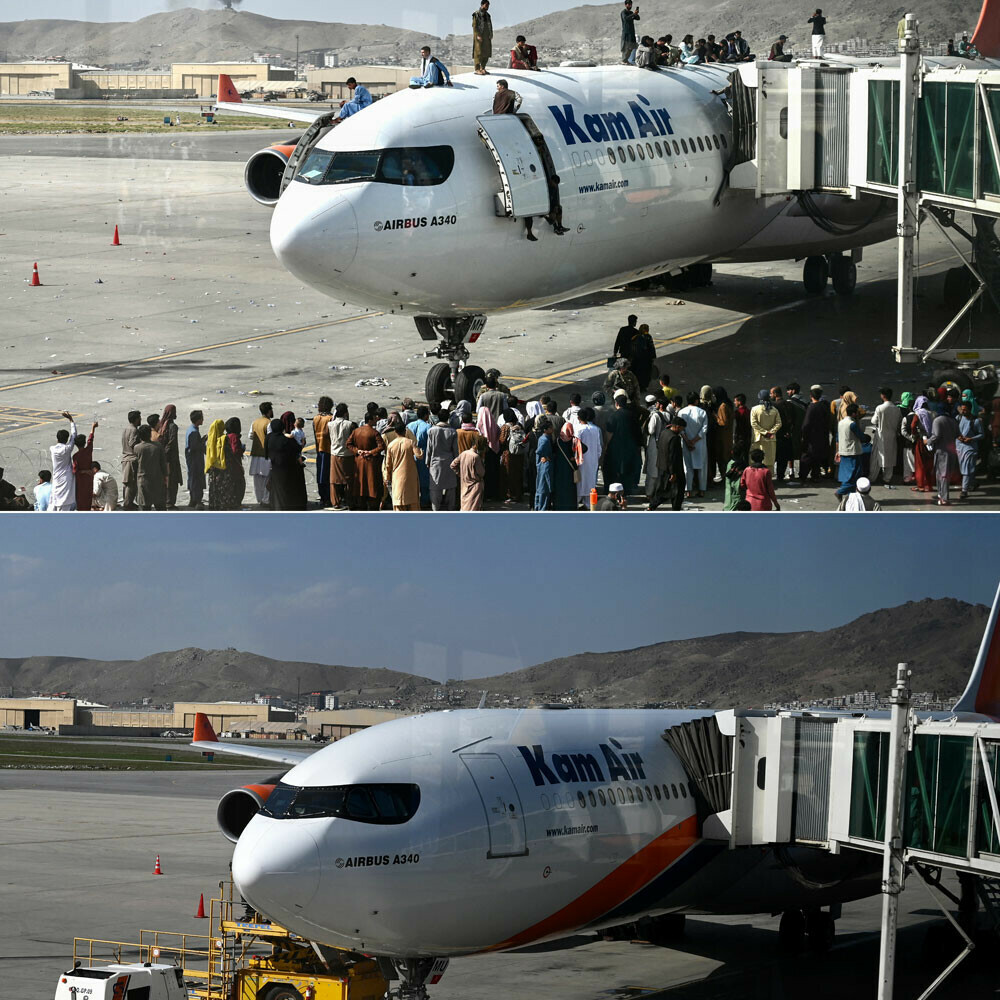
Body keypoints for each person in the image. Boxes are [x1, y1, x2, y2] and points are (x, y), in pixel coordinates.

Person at [267, 415, 307, 511]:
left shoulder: (269, 438)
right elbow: (297, 448)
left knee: (277, 489)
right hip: (287, 468)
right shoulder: (285, 440)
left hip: (275, 468)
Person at [346, 413, 386, 510]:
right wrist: (371, 452)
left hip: (359, 461)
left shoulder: (356, 431)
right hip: (370, 462)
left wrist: (357, 451)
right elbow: (381, 446)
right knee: (371, 484)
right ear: (370, 420)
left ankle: (361, 503)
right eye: (374, 419)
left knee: (360, 484)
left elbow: (348, 444)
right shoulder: (374, 432)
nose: (376, 420)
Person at [206, 417, 246, 511]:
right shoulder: (224, 439)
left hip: (213, 470)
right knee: (227, 490)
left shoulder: (210, 440)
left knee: (215, 489)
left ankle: (216, 506)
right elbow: (233, 453)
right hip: (225, 470)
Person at [384, 419, 423, 511]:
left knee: (399, 502)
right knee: (412, 502)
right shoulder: (410, 442)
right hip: (410, 477)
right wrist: (418, 449)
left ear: (395, 432)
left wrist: (387, 478)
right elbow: (419, 456)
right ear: (405, 431)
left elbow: (388, 465)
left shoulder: (391, 445)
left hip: (397, 477)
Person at [649, 414, 686, 511]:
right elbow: (672, 457)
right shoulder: (674, 438)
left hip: (662, 466)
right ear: (677, 426)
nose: (682, 431)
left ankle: (652, 506)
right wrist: (673, 473)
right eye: (682, 428)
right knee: (675, 491)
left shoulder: (664, 432)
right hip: (673, 469)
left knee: (663, 490)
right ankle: (675, 509)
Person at [426, 408, 459, 510]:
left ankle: (436, 510)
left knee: (435, 488)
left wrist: (427, 462)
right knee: (451, 487)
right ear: (448, 418)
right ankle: (450, 509)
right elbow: (455, 450)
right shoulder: (452, 431)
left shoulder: (432, 431)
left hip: (435, 462)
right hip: (449, 461)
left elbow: (429, 448)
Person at [870, 387, 903, 486]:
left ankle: (872, 477)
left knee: (876, 457)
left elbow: (873, 421)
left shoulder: (880, 408)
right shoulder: (897, 409)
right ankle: (887, 478)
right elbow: (899, 422)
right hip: (892, 436)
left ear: (883, 396)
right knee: (890, 457)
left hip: (881, 435)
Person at [678, 392, 709, 497]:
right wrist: (694, 440)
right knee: (701, 467)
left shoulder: (681, 412)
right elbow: (704, 430)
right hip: (699, 443)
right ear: (696, 400)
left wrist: (688, 441)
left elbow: (680, 430)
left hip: (686, 444)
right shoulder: (702, 412)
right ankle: (702, 490)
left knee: (687, 467)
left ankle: (688, 491)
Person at [835, 402, 868, 497]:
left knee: (847, 475)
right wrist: (866, 438)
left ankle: (851, 495)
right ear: (853, 414)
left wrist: (837, 451)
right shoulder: (852, 424)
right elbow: (861, 437)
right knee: (855, 474)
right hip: (853, 452)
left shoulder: (841, 423)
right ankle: (841, 491)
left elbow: (838, 438)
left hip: (843, 451)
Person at [799, 386, 830, 482]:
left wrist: (803, 435)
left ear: (811, 396)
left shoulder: (811, 407)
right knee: (817, 456)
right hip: (822, 435)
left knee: (807, 456)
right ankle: (815, 475)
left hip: (811, 437)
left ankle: (803, 475)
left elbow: (806, 424)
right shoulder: (824, 406)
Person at [135, 423, 167, 511]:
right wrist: (165, 476)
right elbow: (163, 464)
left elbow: (135, 465)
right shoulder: (158, 446)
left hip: (143, 481)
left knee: (144, 507)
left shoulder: (137, 448)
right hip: (158, 480)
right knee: (160, 507)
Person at [329, 402, 355, 509]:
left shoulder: (330, 424)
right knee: (348, 479)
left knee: (334, 480)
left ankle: (335, 502)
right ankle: (349, 500)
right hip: (347, 454)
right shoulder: (350, 424)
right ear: (345, 413)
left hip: (335, 454)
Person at [50, 412, 78, 512]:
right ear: (66, 439)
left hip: (57, 477)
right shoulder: (67, 449)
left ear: (57, 439)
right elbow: (74, 436)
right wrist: (71, 420)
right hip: (66, 478)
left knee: (54, 500)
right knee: (65, 503)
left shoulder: (52, 449)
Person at [575, 407, 602, 505]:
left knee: (580, 481)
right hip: (593, 459)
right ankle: (588, 502)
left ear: (578, 418)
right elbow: (599, 447)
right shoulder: (595, 429)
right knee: (590, 481)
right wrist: (596, 457)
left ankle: (578, 500)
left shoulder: (578, 430)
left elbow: (576, 446)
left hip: (582, 461)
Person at [407, 405, 433, 508]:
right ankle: (424, 500)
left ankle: (413, 500)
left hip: (411, 454)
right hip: (423, 454)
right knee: (424, 479)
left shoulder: (410, 425)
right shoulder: (428, 427)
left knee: (412, 478)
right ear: (426, 415)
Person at [957, 400, 983, 500]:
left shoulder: (976, 421)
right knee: (966, 468)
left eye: (965, 410)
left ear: (969, 409)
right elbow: (955, 430)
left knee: (966, 469)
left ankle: (964, 490)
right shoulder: (959, 418)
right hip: (959, 447)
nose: (963, 412)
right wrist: (958, 437)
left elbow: (981, 435)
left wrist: (971, 439)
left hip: (970, 448)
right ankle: (973, 483)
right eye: (962, 410)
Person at [247, 401, 272, 507]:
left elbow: (250, 436)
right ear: (269, 411)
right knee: (267, 479)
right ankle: (266, 500)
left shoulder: (255, 422)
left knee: (257, 480)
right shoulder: (268, 423)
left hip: (255, 455)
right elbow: (271, 437)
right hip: (266, 455)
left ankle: (259, 499)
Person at [910, 395, 936, 493]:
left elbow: (913, 426)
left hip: (921, 441)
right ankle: (929, 485)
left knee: (920, 464)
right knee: (929, 464)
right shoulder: (933, 413)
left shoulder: (918, 413)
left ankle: (920, 485)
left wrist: (915, 434)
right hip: (931, 440)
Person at [499, 408, 527, 503]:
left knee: (508, 474)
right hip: (519, 454)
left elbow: (502, 440)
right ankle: (518, 495)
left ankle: (509, 495)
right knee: (518, 474)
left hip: (508, 454)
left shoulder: (505, 427)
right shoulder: (520, 426)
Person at [553, 422, 582, 511]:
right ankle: (571, 506)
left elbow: (553, 451)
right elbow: (584, 448)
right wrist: (575, 457)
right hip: (570, 468)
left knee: (560, 487)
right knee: (570, 489)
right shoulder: (574, 440)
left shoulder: (558, 440)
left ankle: (559, 506)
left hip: (559, 468)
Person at [477, 404, 503, 501]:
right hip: (494, 451)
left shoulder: (479, 426)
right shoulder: (495, 425)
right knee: (494, 473)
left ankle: (486, 494)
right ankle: (494, 494)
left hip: (485, 453)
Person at [750, 389, 781, 469]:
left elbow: (754, 424)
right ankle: (768, 477)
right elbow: (779, 423)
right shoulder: (774, 410)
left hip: (759, 438)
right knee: (769, 459)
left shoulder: (754, 409)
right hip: (771, 438)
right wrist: (770, 432)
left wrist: (764, 432)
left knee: (756, 459)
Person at [451, 439, 486, 510]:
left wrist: (461, 474)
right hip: (475, 486)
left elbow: (453, 465)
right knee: (473, 507)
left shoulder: (464, 453)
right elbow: (481, 473)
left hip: (464, 484)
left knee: (465, 506)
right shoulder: (476, 457)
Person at [643, 396, 667, 499]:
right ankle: (659, 491)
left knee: (652, 469)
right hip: (665, 444)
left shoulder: (655, 415)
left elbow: (651, 430)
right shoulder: (669, 415)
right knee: (661, 469)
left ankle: (649, 493)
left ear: (660, 405)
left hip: (654, 443)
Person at [313, 397, 334, 508]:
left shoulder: (316, 418)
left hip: (319, 449)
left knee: (320, 475)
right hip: (328, 449)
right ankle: (328, 497)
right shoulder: (330, 418)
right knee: (328, 475)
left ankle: (323, 496)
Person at [72, 421, 98, 512]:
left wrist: (84, 471)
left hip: (80, 480)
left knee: (80, 499)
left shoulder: (76, 456)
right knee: (88, 497)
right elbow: (90, 440)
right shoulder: (88, 451)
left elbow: (75, 471)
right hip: (88, 478)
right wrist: (93, 428)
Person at [711, 386, 734, 484]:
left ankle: (725, 478)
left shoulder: (723, 406)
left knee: (722, 458)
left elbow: (723, 422)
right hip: (727, 435)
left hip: (722, 436)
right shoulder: (728, 404)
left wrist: (714, 416)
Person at [120, 410, 142, 510]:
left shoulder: (126, 428)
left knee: (127, 482)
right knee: (131, 483)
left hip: (125, 458)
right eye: (139, 418)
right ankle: (128, 504)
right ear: (136, 419)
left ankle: (128, 502)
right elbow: (132, 444)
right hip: (131, 459)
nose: (141, 419)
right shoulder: (134, 430)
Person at [185, 410, 206, 508]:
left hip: (192, 460)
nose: (203, 419)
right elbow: (194, 447)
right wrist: (203, 443)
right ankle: (197, 501)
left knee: (192, 479)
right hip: (195, 460)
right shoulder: (193, 432)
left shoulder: (192, 429)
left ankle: (193, 500)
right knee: (196, 480)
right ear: (198, 420)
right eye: (201, 418)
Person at [533, 417, 555, 510]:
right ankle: (542, 508)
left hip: (542, 466)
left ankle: (538, 507)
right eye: (550, 428)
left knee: (540, 488)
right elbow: (539, 451)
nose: (552, 429)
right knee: (544, 488)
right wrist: (546, 457)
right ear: (546, 430)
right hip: (545, 466)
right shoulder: (545, 440)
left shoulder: (543, 438)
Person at [473, 0, 494, 75]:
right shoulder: (476, 14)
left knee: (486, 52)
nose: (487, 7)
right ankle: (477, 69)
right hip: (479, 36)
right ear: (482, 5)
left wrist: (491, 34)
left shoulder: (488, 15)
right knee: (478, 53)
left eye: (488, 5)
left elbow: (490, 25)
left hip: (486, 36)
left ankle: (483, 68)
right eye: (486, 5)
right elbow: (474, 26)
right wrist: (478, 35)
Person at [732, 393, 751, 469]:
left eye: (735, 401)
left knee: (738, 457)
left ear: (739, 402)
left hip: (740, 437)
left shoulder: (738, 412)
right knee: (746, 456)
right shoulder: (748, 411)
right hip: (747, 437)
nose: (734, 403)